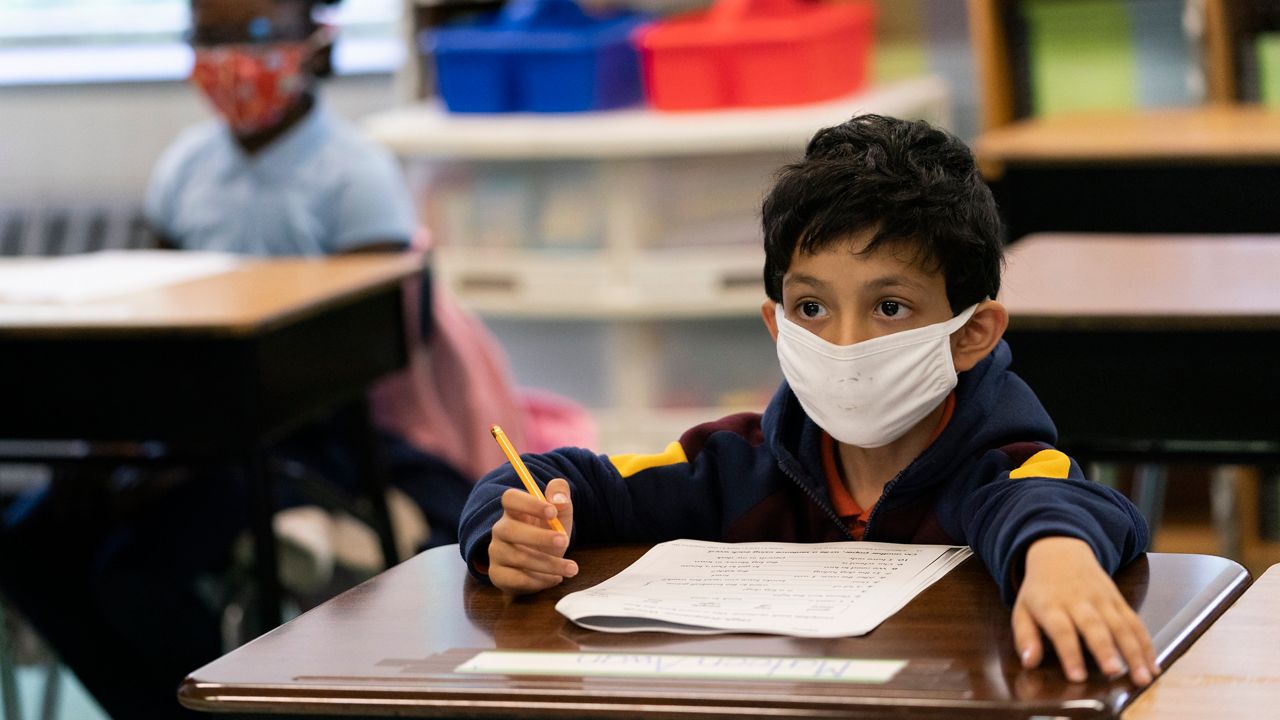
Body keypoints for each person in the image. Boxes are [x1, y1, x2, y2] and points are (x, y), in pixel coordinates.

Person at [457, 114, 1161, 689]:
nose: (846, 341)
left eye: (890, 306)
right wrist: (507, 530)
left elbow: (1061, 501)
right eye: (812, 307)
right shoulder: (734, 463)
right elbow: (563, 480)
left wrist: (1057, 556)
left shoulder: (995, 464)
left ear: (972, 332)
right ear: (776, 323)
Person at [0, 1, 472, 718]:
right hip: (182, 433)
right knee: (27, 545)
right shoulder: (186, 168)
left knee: (133, 574)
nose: (230, 60)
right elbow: (153, 319)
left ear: (313, 41)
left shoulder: (355, 173)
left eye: (254, 36)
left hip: (300, 437)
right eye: (208, 37)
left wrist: (174, 459)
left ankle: (215, 709)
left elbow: (353, 357)